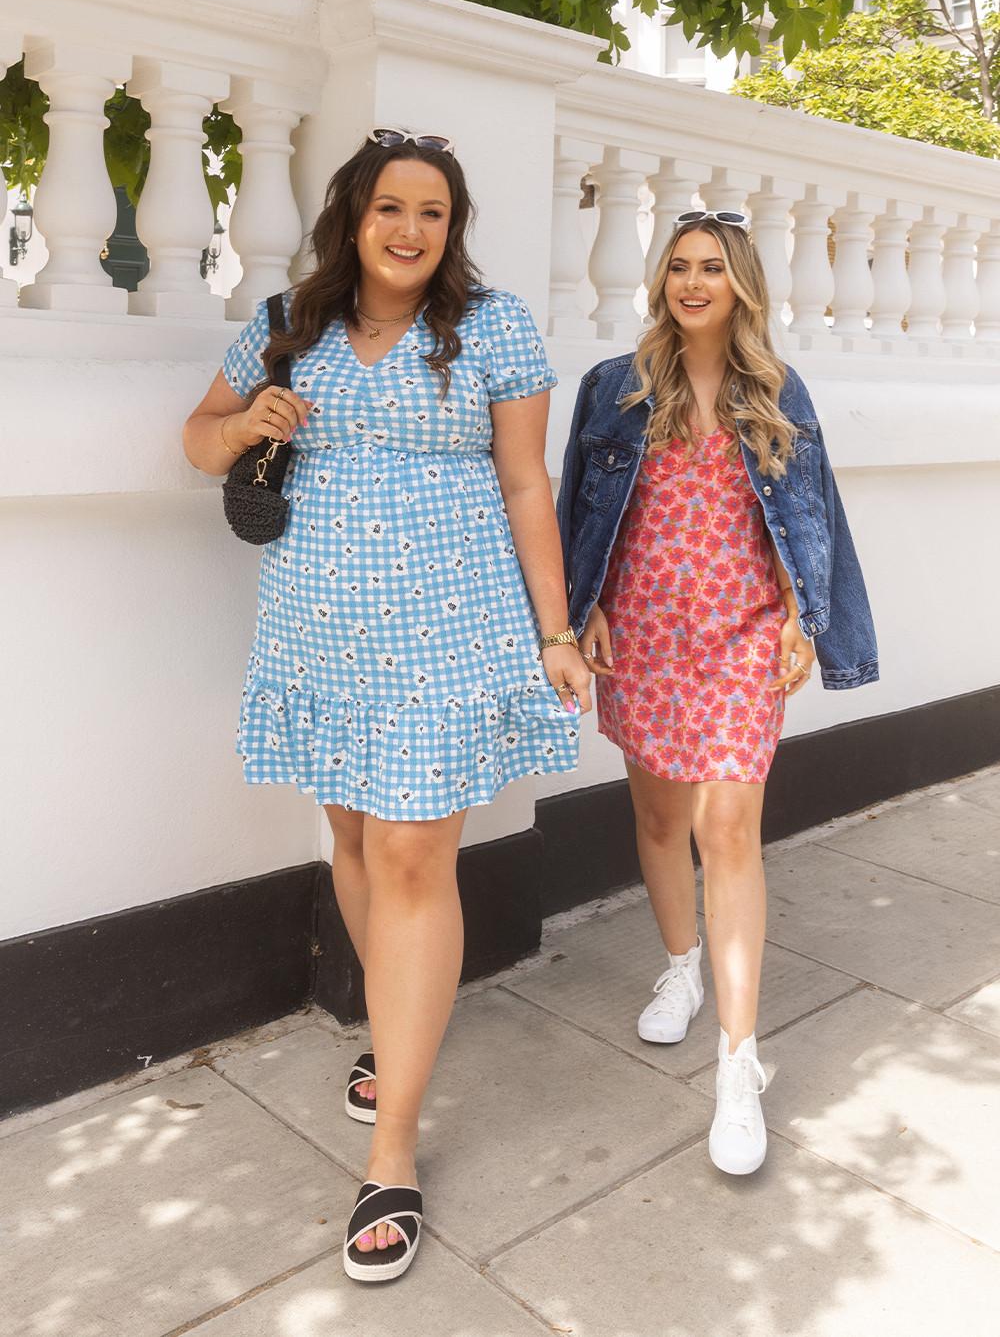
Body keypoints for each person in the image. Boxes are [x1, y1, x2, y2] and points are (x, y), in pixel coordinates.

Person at [183, 128, 589, 1281]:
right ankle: (392, 1037)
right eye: (389, 209)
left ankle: (394, 1149)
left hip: (450, 629)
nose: (410, 231)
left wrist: (554, 633)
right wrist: (246, 424)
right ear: (352, 216)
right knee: (355, 842)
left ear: (452, 228)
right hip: (321, 631)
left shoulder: (495, 326)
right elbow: (195, 442)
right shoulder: (285, 325)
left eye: (433, 213)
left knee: (415, 856)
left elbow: (524, 483)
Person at [556, 210, 878, 1176]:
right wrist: (584, 611)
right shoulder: (612, 389)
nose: (693, 283)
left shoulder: (777, 391)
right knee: (658, 821)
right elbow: (578, 507)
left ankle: (740, 1066)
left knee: (727, 829)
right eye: (679, 268)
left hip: (740, 641)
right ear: (661, 282)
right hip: (644, 633)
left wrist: (799, 615)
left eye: (712, 269)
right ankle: (682, 968)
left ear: (741, 284)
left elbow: (811, 511)